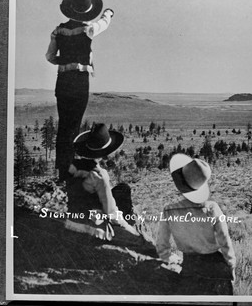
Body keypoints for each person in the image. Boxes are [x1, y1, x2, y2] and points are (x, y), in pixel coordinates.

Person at [45, 0, 115, 182]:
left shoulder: (58, 30)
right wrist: (108, 12)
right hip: (79, 82)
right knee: (74, 126)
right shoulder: (88, 29)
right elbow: (104, 22)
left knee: (64, 125)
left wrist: (65, 61)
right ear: (88, 11)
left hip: (63, 81)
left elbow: (50, 57)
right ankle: (68, 171)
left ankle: (62, 169)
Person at [64, 123, 155, 251]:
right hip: (93, 230)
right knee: (143, 243)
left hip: (72, 223)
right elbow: (112, 214)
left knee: (122, 189)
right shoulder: (100, 175)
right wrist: (131, 230)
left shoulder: (73, 167)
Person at [156, 154, 236, 295]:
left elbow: (162, 247)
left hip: (191, 267)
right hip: (217, 269)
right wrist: (230, 265)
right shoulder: (212, 208)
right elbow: (225, 240)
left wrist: (173, 259)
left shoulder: (169, 210)